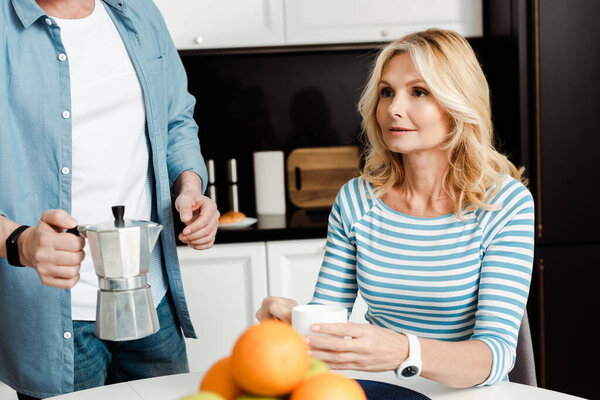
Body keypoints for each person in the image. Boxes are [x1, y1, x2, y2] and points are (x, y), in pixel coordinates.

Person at [256, 28, 535, 388]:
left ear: (457, 103)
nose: (393, 108)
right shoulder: (357, 200)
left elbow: (495, 355)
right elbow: (327, 327)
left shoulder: (505, 205)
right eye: (386, 92)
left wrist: (405, 352)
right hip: (380, 388)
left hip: (467, 393)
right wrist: (294, 325)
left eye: (418, 92)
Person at [0, 0, 219, 398]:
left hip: (154, 302)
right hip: (51, 313)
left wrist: (189, 185)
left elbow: (175, 120)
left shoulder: (139, 13)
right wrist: (20, 242)